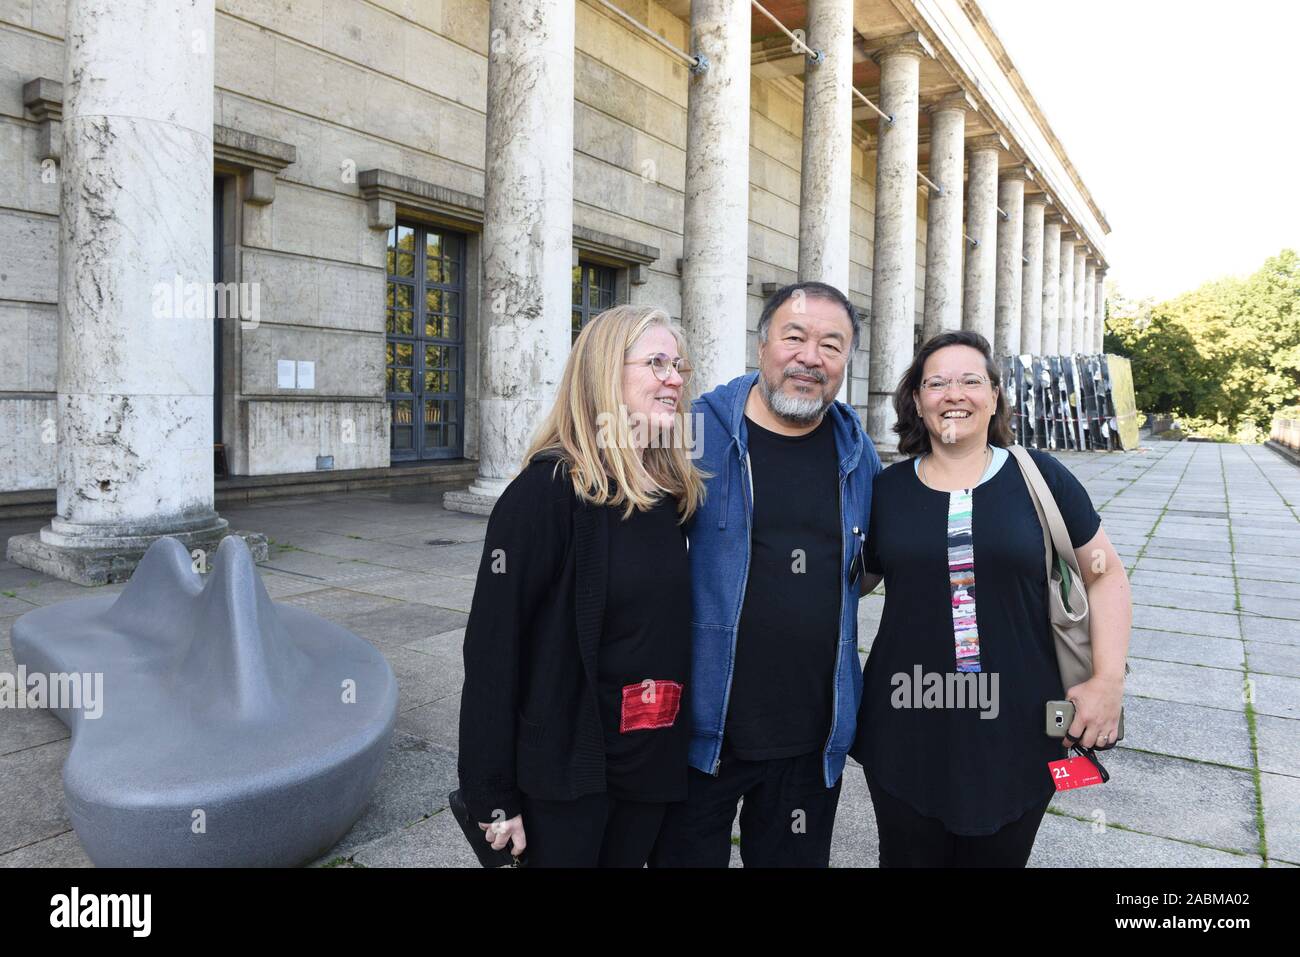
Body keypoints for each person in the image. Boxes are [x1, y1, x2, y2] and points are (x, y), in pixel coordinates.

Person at [850, 329, 1131, 867]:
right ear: (916, 400)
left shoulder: (1038, 477)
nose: (953, 393)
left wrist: (1107, 681)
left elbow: (1105, 574)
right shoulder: (886, 491)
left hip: (1021, 723)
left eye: (970, 380)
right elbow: (853, 581)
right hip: (908, 721)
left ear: (995, 396)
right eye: (936, 383)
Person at [456, 305, 705, 867]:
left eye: (678, 364)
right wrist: (491, 794)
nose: (674, 378)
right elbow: (495, 652)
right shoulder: (545, 494)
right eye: (656, 363)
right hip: (570, 774)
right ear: (602, 374)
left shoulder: (670, 493)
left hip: (650, 761)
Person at [650, 281, 882, 868]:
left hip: (812, 739)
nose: (811, 357)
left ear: (846, 361)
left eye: (832, 345)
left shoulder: (857, 451)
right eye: (795, 337)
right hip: (701, 732)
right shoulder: (694, 432)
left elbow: (871, 564)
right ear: (762, 347)